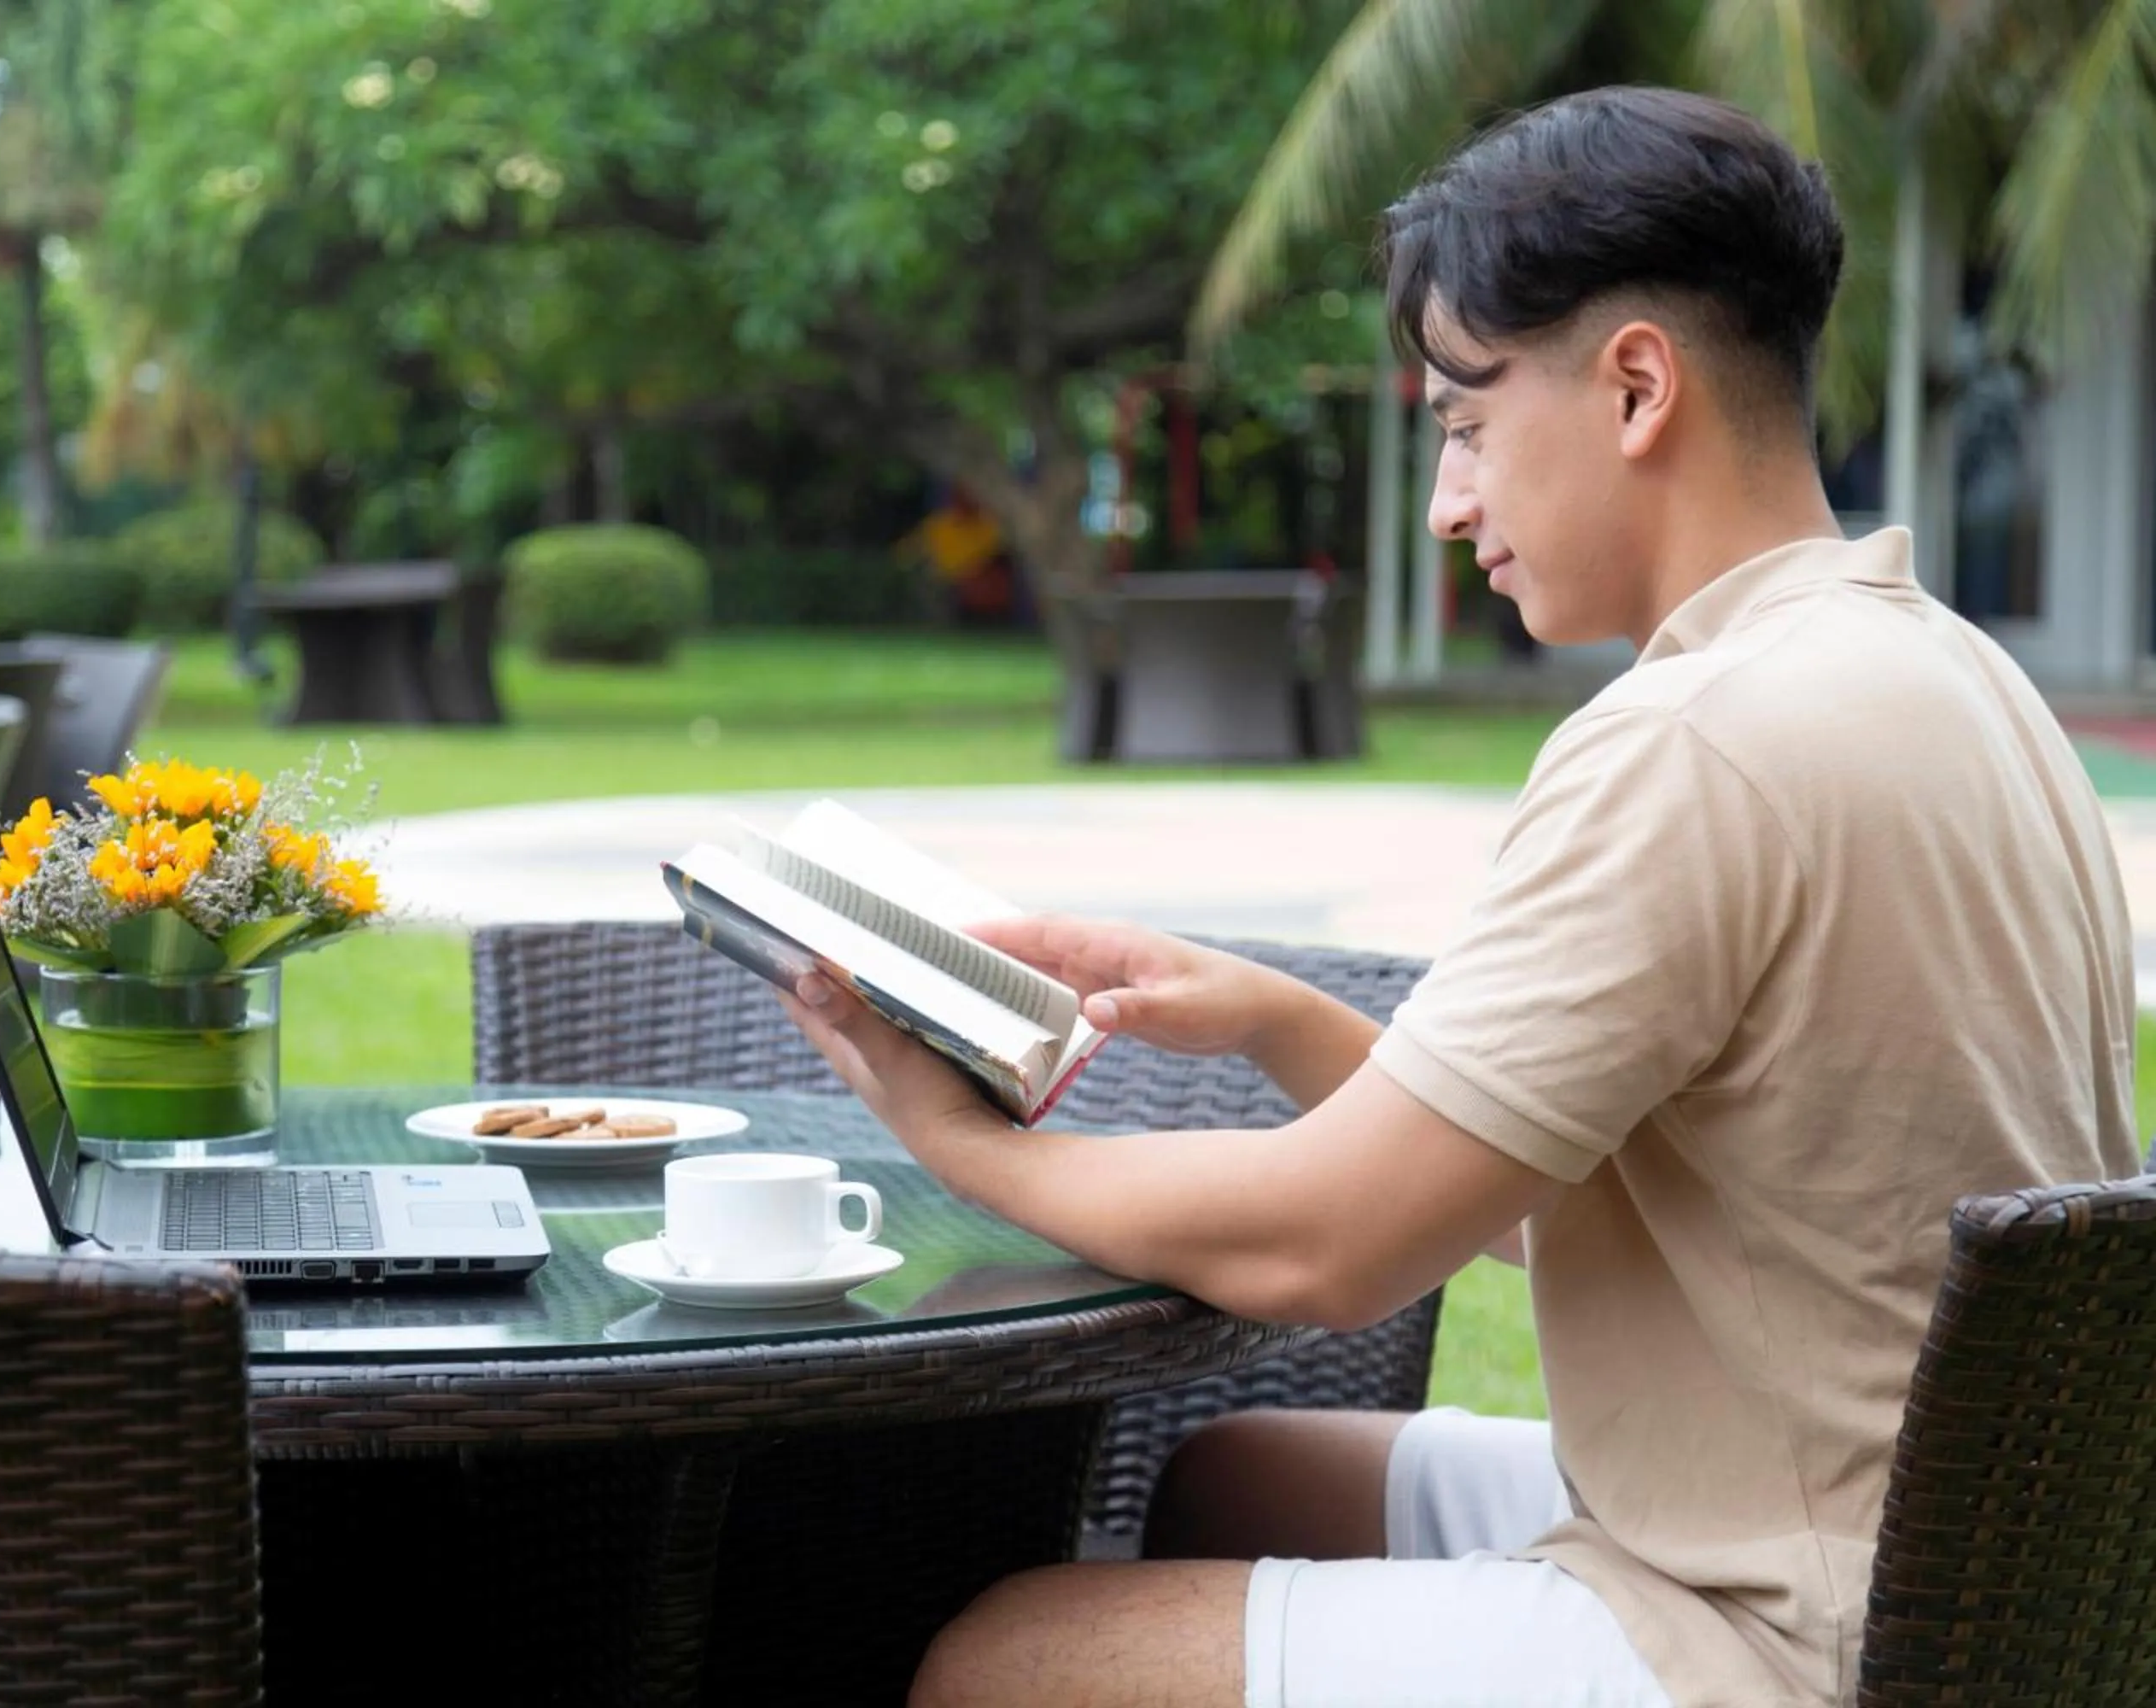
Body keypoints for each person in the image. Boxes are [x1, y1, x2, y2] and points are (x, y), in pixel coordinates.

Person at [773, 85, 2140, 1708]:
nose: (1449, 503)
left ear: (1636, 386)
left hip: (1794, 1625)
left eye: (1468, 423)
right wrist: (1281, 1018)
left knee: (1003, 1664)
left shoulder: (1692, 741)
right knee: (1238, 1477)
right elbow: (1514, 1192)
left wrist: (961, 1145)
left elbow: (1325, 1251)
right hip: (1992, 1570)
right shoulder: (1949, 672)